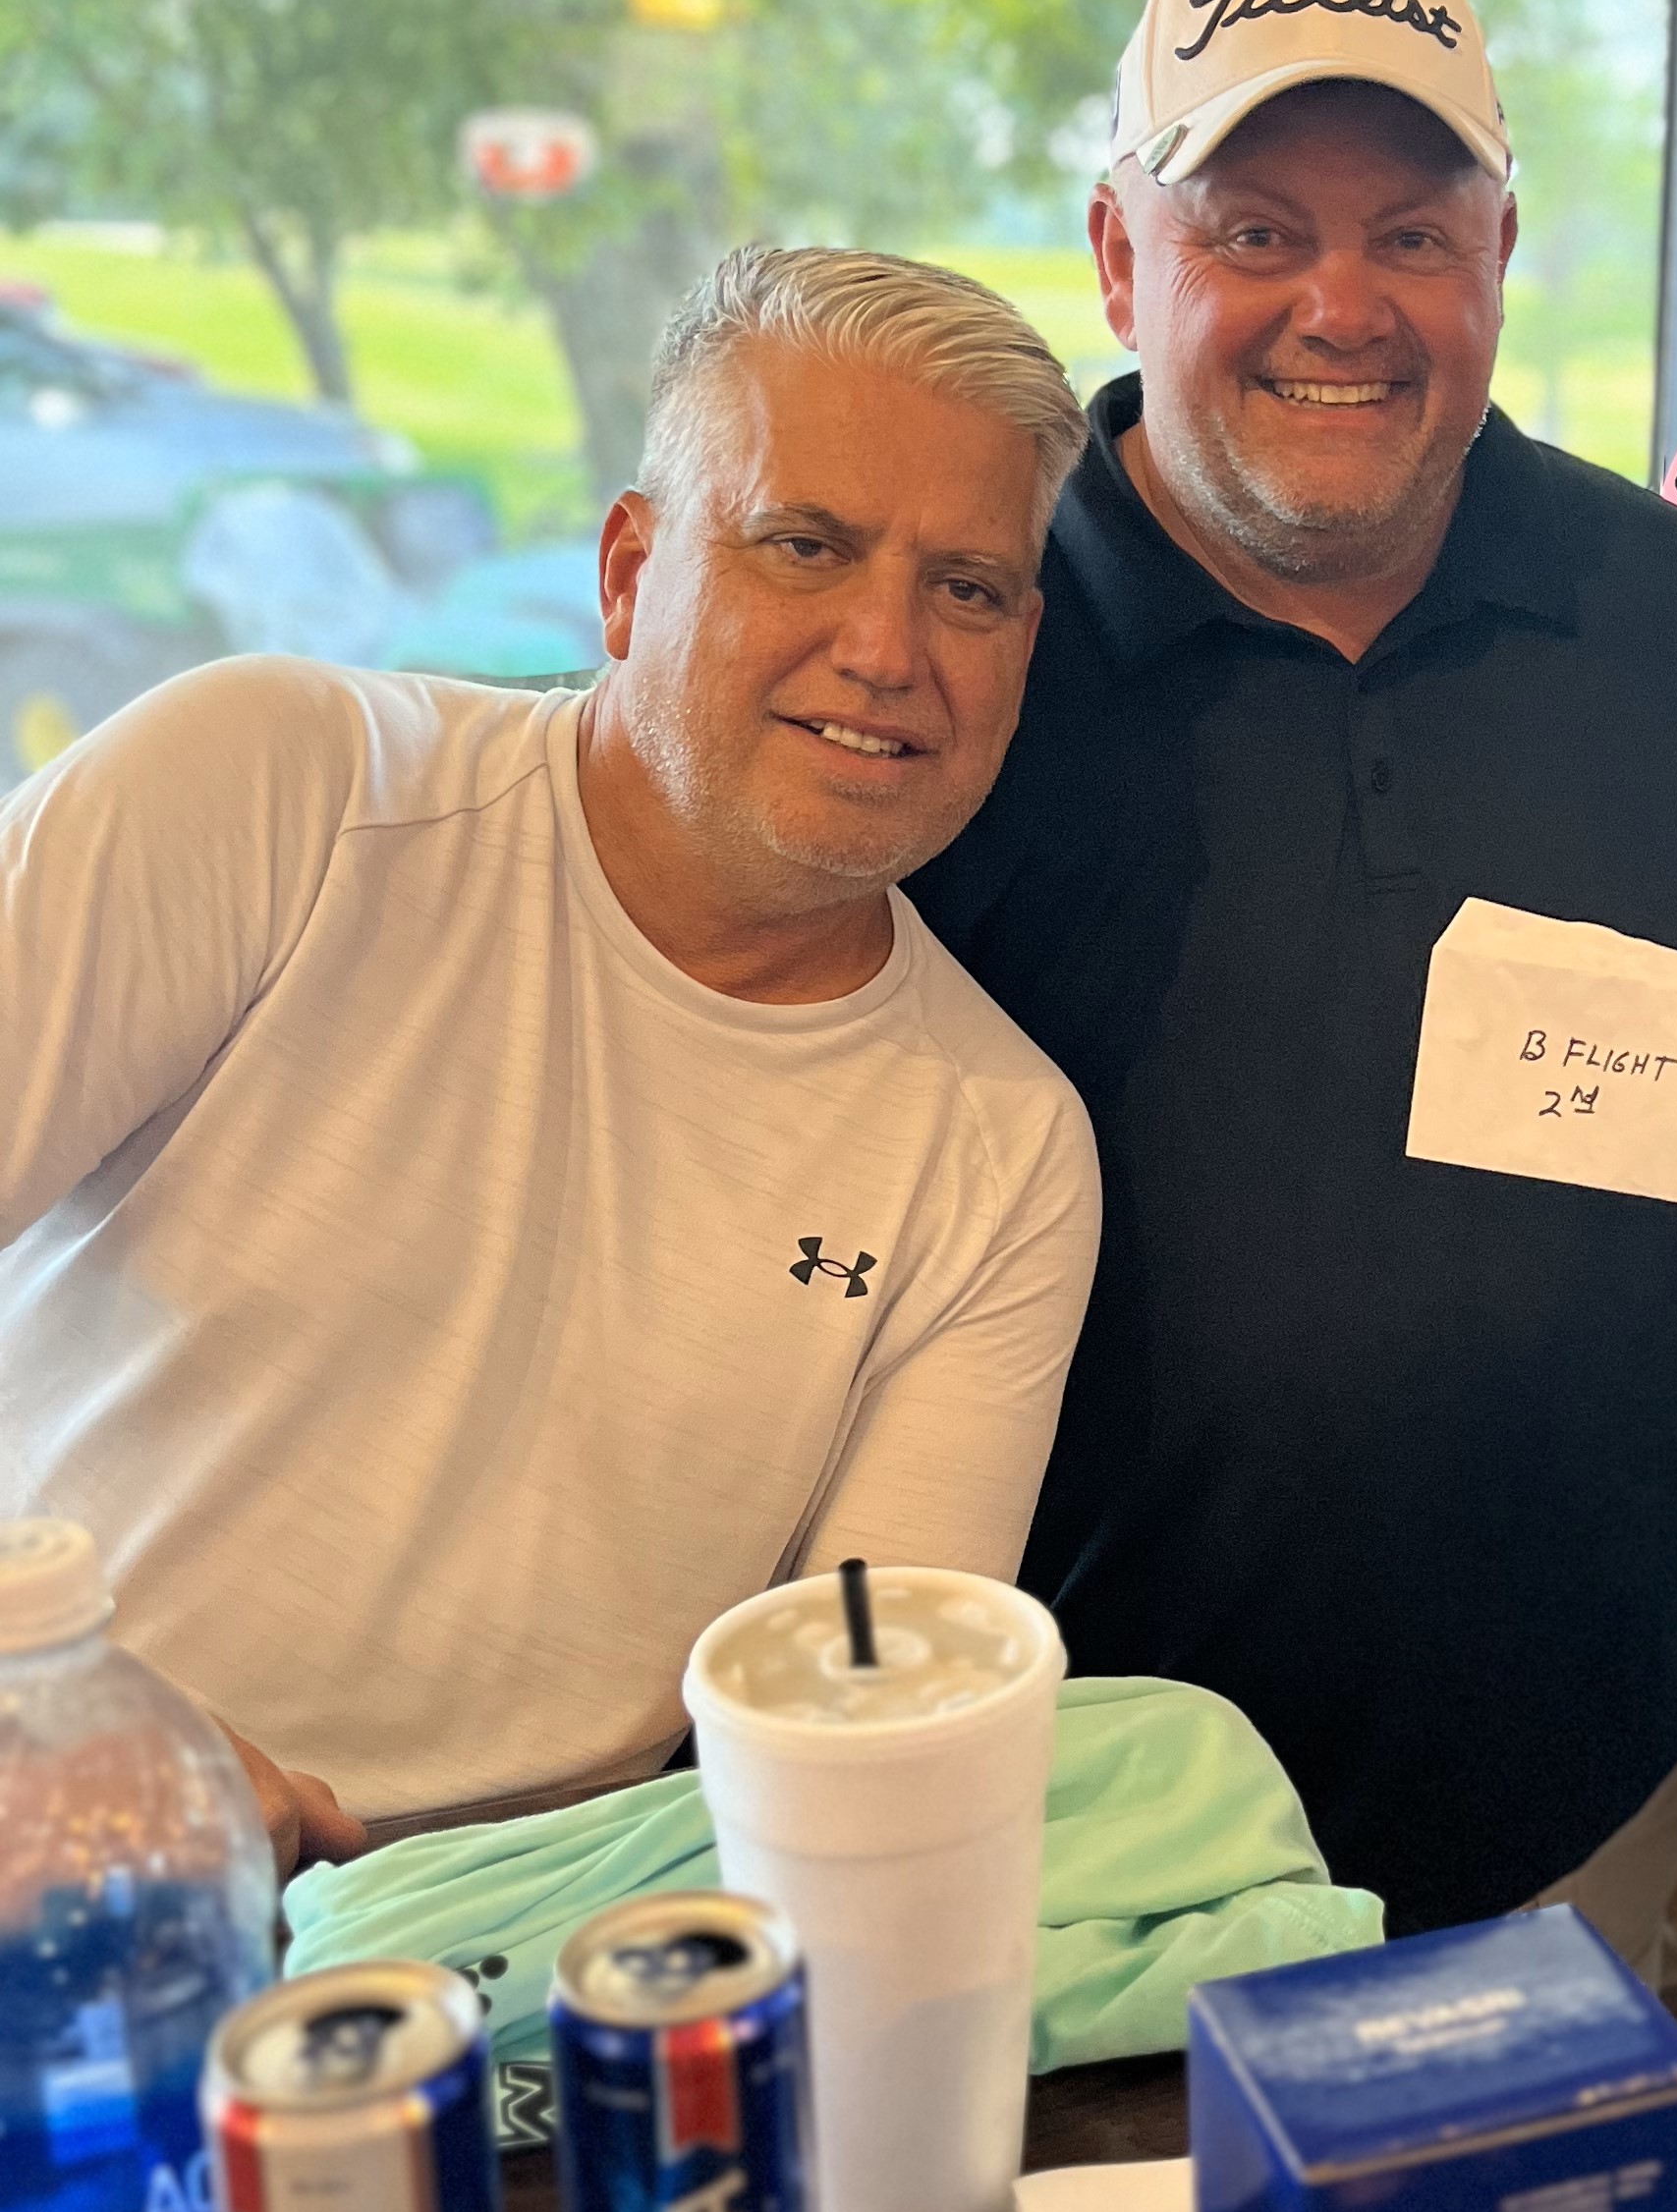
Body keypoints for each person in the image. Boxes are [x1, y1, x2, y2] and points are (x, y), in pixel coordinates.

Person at [910, 0, 1677, 1945]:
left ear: (1501, 256)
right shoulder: (964, 638)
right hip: (1068, 1834)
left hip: (1577, 1790)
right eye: (1255, 234)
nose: (1342, 307)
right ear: (1119, 258)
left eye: (1412, 236)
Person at [0, 248, 1100, 1872]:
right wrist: (70, 1724)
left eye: (969, 589)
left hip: (520, 1956)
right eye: (805, 545)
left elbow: (864, 1743)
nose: (887, 647)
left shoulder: (1002, 1153)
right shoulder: (275, 790)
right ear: (629, 573)